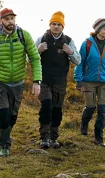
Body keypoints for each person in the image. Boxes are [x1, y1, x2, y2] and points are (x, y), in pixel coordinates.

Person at [0, 8, 42, 157]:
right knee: (4, 114)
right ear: (1, 21)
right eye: (7, 19)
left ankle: (3, 138)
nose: (10, 21)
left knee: (12, 117)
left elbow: (35, 58)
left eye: (12, 18)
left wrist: (36, 81)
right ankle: (4, 145)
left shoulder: (23, 35)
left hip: (18, 83)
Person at [34, 11, 81, 149]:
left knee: (57, 109)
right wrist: (38, 50)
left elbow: (78, 60)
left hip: (60, 81)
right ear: (50, 25)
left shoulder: (68, 41)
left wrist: (70, 52)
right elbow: (29, 58)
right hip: (44, 81)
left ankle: (54, 137)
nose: (55, 27)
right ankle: (44, 137)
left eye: (58, 25)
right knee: (46, 106)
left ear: (63, 27)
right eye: (53, 24)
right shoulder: (42, 39)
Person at [74, 18, 105, 147]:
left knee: (103, 109)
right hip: (89, 81)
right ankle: (84, 125)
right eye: (104, 28)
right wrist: (79, 80)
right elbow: (80, 62)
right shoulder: (87, 44)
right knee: (90, 107)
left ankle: (98, 138)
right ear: (97, 30)